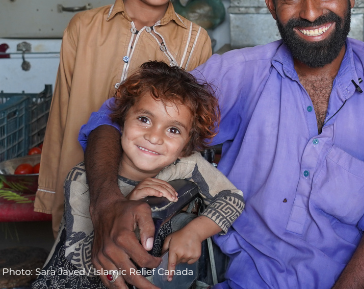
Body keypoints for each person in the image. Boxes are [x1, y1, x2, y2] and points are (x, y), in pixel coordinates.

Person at [78, 0, 364, 289]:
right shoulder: (240, 74)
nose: (310, 12)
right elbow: (110, 119)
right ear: (270, 2)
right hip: (257, 279)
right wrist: (106, 204)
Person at [34, 0, 212, 237]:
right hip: (79, 192)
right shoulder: (83, 28)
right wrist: (51, 194)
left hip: (148, 203)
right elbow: (61, 117)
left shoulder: (195, 40)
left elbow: (189, 131)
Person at [33, 62, 244, 289]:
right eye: (144, 119)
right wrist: (128, 202)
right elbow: (81, 261)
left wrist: (194, 232)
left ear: (186, 146)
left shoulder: (187, 163)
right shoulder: (82, 179)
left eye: (173, 130)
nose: (154, 137)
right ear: (121, 122)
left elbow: (232, 198)